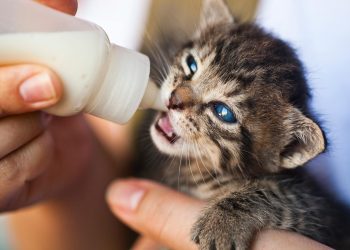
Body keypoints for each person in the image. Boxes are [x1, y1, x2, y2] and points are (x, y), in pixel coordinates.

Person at [0, 0, 332, 249]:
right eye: (190, 64)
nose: (178, 97)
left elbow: (310, 213)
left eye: (223, 111)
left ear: (286, 147)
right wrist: (70, 183)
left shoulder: (271, 165)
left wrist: (240, 211)